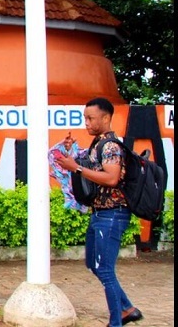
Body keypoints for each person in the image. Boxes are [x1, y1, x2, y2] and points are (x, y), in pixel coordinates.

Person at [55, 97, 143, 327]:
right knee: (93, 264)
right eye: (85, 118)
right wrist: (69, 154)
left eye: (91, 118)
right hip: (100, 213)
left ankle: (116, 322)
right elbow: (85, 167)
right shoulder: (98, 145)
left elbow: (112, 178)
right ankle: (127, 309)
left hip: (113, 214)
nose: (87, 123)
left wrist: (77, 168)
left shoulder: (111, 146)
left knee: (105, 269)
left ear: (106, 118)